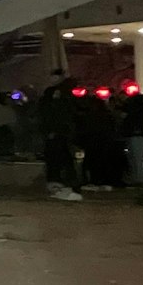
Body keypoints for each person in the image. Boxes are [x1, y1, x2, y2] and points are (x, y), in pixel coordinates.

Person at [37, 69, 81, 201]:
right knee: (64, 158)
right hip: (62, 131)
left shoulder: (58, 93)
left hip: (57, 131)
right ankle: (68, 185)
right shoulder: (65, 92)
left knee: (57, 158)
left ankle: (60, 185)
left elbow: (54, 113)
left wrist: (52, 130)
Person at [121, 88, 143, 186]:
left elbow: (124, 117)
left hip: (133, 134)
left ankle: (137, 178)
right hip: (139, 134)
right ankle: (138, 178)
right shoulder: (142, 106)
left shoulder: (132, 106)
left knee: (134, 158)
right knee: (137, 157)